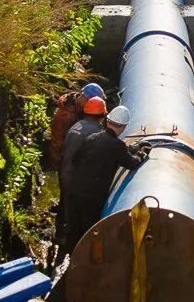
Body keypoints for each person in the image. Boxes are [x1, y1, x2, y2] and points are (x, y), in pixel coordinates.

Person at [58, 102, 145, 262]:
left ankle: (72, 262)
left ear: (108, 120)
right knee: (90, 231)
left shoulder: (91, 137)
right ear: (124, 127)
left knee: (73, 229)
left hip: (75, 191)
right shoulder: (116, 145)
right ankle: (89, 264)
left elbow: (76, 160)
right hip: (93, 198)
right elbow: (132, 163)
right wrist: (142, 154)